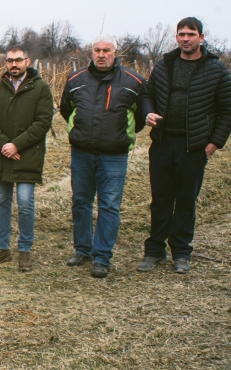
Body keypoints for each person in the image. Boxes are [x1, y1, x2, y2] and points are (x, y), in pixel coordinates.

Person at [138, 17, 231, 274]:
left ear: (201, 37)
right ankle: (154, 251)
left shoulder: (217, 70)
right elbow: (147, 94)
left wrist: (214, 143)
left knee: (186, 200)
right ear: (176, 37)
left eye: (191, 34)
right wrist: (148, 113)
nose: (186, 38)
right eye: (181, 34)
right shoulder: (164, 65)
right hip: (163, 143)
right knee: (161, 199)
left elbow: (227, 110)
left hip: (194, 147)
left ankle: (181, 252)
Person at [60, 35, 151, 278]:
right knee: (80, 201)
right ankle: (82, 249)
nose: (101, 55)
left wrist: (120, 134)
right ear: (91, 53)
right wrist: (78, 131)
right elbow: (66, 109)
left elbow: (141, 117)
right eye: (97, 50)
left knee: (109, 205)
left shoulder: (134, 81)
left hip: (114, 156)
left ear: (115, 53)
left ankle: (102, 256)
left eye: (106, 50)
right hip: (82, 153)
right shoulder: (76, 79)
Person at [0, 46, 53, 272]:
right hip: (2, 155)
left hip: (27, 156)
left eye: (18, 60)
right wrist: (4, 144)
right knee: (2, 202)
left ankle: (24, 250)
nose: (14, 64)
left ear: (27, 62)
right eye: (10, 60)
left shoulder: (40, 89)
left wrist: (16, 145)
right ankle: (2, 248)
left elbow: (42, 122)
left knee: (25, 203)